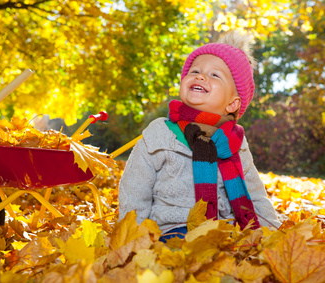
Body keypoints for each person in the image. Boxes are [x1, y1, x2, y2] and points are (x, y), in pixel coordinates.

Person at [118, 30, 281, 242]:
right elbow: (134, 188)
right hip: (173, 230)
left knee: (241, 256)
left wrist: (274, 235)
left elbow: (255, 195)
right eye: (194, 71)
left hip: (227, 230)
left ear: (232, 103)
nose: (200, 76)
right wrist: (134, 237)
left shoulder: (235, 141)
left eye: (215, 75)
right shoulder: (161, 133)